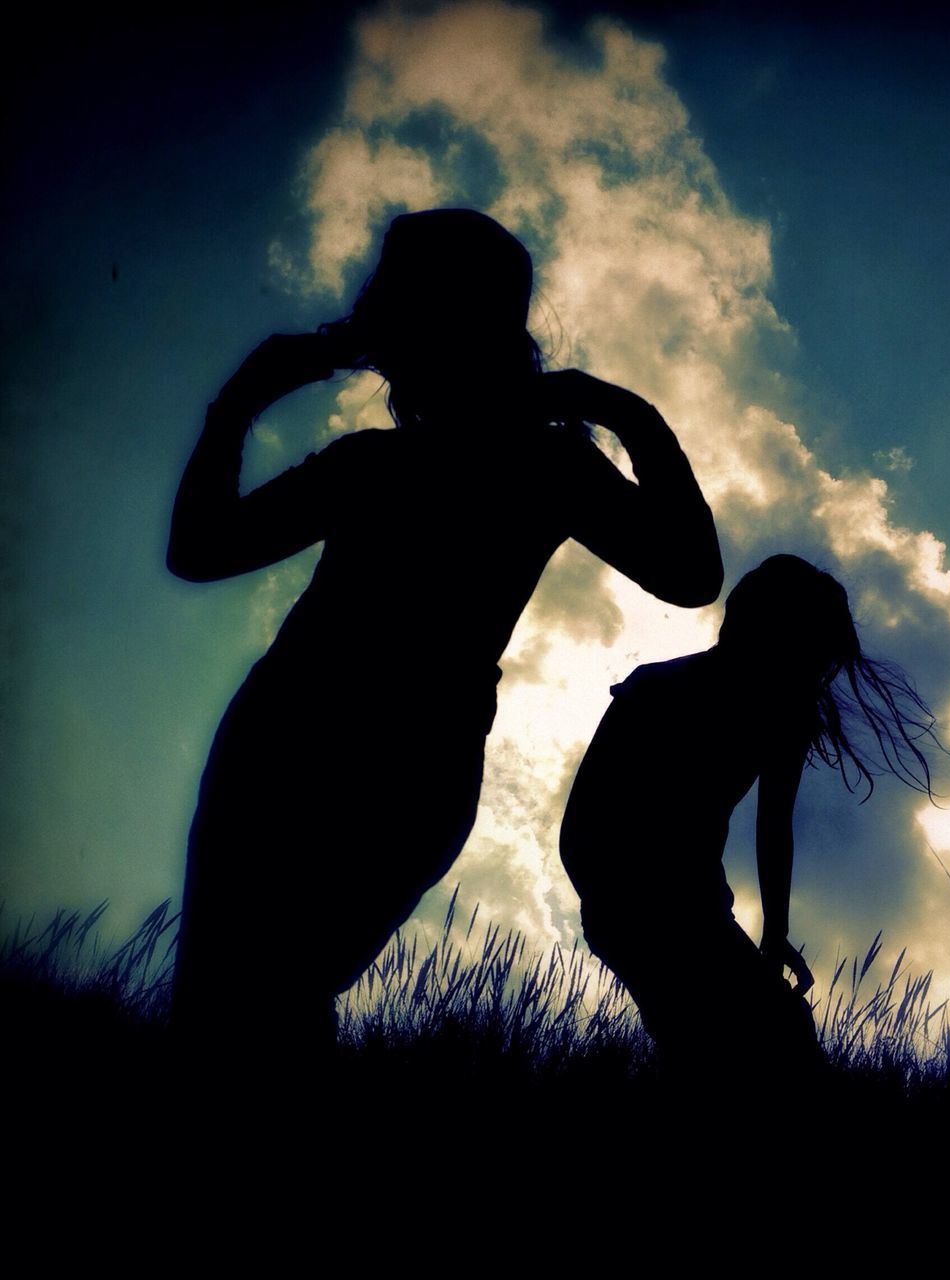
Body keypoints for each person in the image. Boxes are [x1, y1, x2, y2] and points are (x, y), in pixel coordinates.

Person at [167, 208, 723, 1051]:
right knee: (258, 1006)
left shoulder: (455, 467)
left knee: (242, 1006)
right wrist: (622, 414)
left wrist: (239, 401)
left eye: (393, 304)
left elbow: (692, 578)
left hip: (325, 746)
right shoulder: (470, 466)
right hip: (363, 754)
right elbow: (198, 553)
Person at [559, 554, 946, 1086]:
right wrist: (618, 904)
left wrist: (775, 931)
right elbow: (583, 827)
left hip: (681, 910)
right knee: (764, 1047)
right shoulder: (657, 692)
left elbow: (773, 827)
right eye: (810, 647)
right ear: (778, 634)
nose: (816, 668)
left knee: (742, 1049)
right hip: (645, 909)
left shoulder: (778, 715)